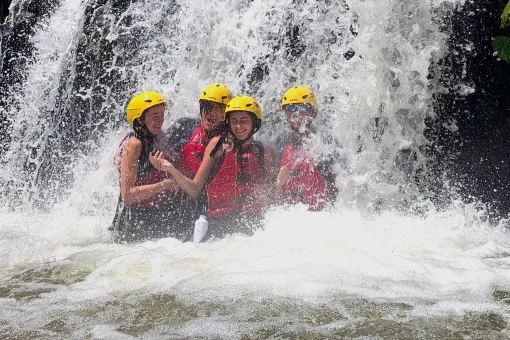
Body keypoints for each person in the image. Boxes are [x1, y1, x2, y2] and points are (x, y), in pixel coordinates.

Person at [150, 95, 276, 239]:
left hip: (253, 224)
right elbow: (194, 189)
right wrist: (170, 168)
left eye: (243, 121)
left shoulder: (264, 152)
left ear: (254, 123)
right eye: (234, 121)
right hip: (218, 224)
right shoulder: (219, 146)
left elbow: (272, 198)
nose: (238, 126)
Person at [110, 91, 185, 243]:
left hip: (155, 215)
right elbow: (128, 196)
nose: (160, 120)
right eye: (154, 116)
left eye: (162, 114)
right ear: (140, 120)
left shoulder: (158, 137)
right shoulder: (134, 144)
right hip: (133, 219)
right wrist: (163, 185)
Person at [275, 86, 341, 211]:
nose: (296, 113)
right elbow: (272, 198)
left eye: (303, 107)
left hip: (323, 214)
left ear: (312, 111)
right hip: (289, 215)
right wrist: (279, 186)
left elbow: (341, 187)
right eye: (291, 108)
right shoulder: (281, 143)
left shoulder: (327, 142)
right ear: (286, 113)